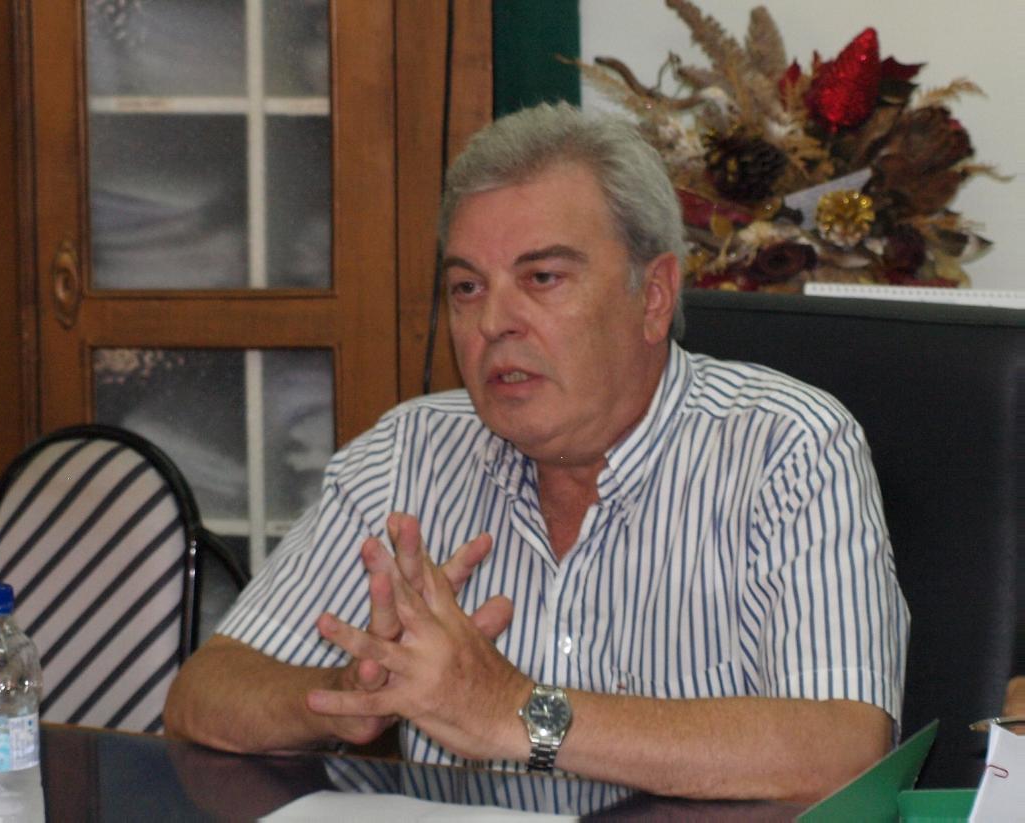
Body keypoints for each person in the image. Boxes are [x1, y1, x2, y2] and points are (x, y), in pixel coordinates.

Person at [165, 101, 910, 807]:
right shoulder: (407, 453)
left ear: (653, 296)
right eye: (466, 287)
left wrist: (517, 713)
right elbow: (202, 696)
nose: (493, 321)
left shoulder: (785, 447)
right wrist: (349, 692)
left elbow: (844, 750)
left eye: (542, 278)